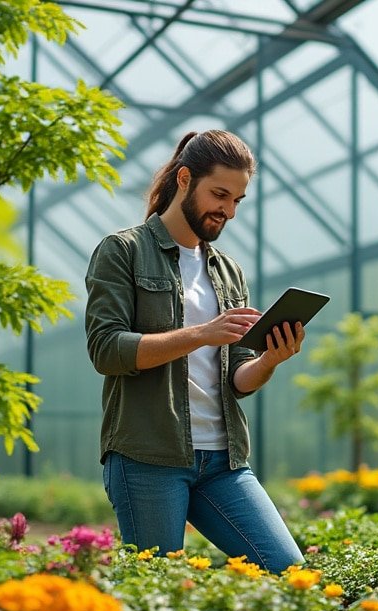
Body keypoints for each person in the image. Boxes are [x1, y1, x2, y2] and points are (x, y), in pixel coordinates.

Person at [84, 129, 305, 573]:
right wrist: (201, 333)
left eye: (238, 200)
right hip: (148, 456)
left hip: (223, 461)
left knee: (289, 570)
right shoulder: (123, 251)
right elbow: (107, 350)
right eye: (219, 194)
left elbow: (238, 379)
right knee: (158, 589)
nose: (228, 210)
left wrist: (269, 360)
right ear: (184, 179)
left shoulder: (228, 271)